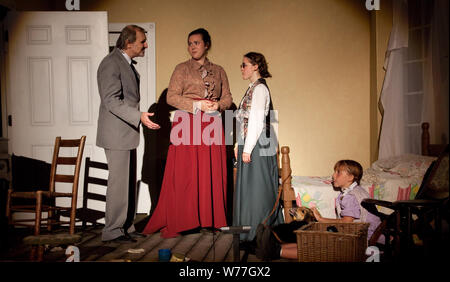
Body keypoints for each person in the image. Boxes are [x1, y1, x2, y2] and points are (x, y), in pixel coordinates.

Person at [142, 28, 233, 238]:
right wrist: (197, 105)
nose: (192, 47)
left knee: (210, 171)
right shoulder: (181, 69)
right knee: (186, 173)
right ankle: (185, 218)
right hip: (187, 122)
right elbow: (171, 98)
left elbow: (228, 97)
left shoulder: (219, 70)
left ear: (206, 45)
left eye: (196, 43)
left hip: (212, 123)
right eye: (189, 43)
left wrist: (218, 105)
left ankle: (210, 219)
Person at [97, 25, 160, 243]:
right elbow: (111, 100)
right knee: (119, 182)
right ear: (128, 43)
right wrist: (138, 116)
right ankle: (112, 230)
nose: (146, 45)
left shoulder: (125, 63)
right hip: (116, 133)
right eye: (142, 41)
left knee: (127, 182)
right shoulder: (111, 63)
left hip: (126, 132)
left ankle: (125, 226)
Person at [256, 160, 382, 260]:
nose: (333, 175)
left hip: (364, 240)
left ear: (350, 177)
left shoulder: (350, 196)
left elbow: (347, 222)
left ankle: (275, 251)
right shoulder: (357, 191)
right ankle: (271, 244)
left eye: (338, 172)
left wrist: (321, 219)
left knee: (320, 248)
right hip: (361, 235)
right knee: (315, 241)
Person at [233, 52, 284, 245]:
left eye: (244, 64)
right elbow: (245, 120)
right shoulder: (252, 88)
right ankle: (251, 233)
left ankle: (259, 234)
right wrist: (240, 145)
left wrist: (247, 148)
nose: (242, 68)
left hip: (258, 142)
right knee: (250, 188)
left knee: (258, 188)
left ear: (255, 66)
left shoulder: (260, 89)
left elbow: (256, 120)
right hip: (250, 140)